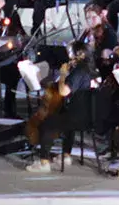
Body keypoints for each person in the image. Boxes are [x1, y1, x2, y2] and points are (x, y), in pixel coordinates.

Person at [25, 40, 96, 173]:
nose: (68, 55)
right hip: (87, 115)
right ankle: (66, 155)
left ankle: (44, 163)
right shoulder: (89, 68)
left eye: (70, 52)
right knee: (63, 113)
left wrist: (63, 74)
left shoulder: (79, 70)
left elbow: (64, 91)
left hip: (77, 117)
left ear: (80, 54)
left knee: (48, 122)